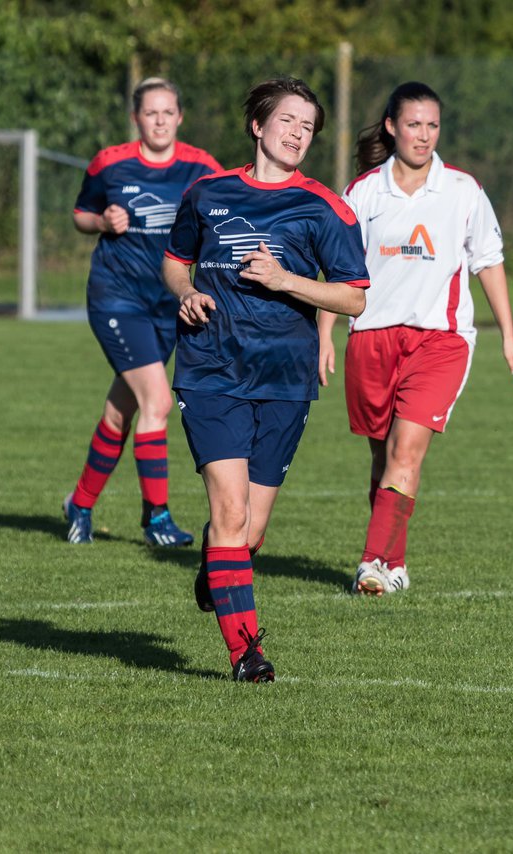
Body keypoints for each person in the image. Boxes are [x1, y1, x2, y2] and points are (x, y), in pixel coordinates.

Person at [163, 77, 369, 682]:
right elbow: (176, 263)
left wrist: (285, 281)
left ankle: (218, 565)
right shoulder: (207, 192)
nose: (299, 134)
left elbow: (354, 299)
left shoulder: (325, 208)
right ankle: (246, 654)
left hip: (284, 376)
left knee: (248, 532)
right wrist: (188, 292)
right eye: (288, 122)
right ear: (258, 126)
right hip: (210, 369)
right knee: (228, 511)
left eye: (308, 127)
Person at [318, 81, 513, 596]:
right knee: (381, 456)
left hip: (441, 341)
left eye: (432, 125)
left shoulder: (462, 191)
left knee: (406, 451)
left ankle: (371, 564)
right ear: (391, 127)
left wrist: (509, 336)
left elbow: (489, 262)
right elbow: (338, 273)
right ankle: (395, 561)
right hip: (370, 337)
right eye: (414, 124)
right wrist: (323, 335)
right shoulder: (363, 192)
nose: (424, 135)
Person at [63, 78, 221, 547]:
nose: (159, 120)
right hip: (116, 298)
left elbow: (224, 214)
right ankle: (157, 518)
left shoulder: (201, 166)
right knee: (158, 401)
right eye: (150, 113)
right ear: (136, 118)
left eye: (167, 112)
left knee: (122, 410)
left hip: (168, 305)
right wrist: (101, 221)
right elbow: (80, 214)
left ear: (180, 117)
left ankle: (80, 504)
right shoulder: (110, 163)